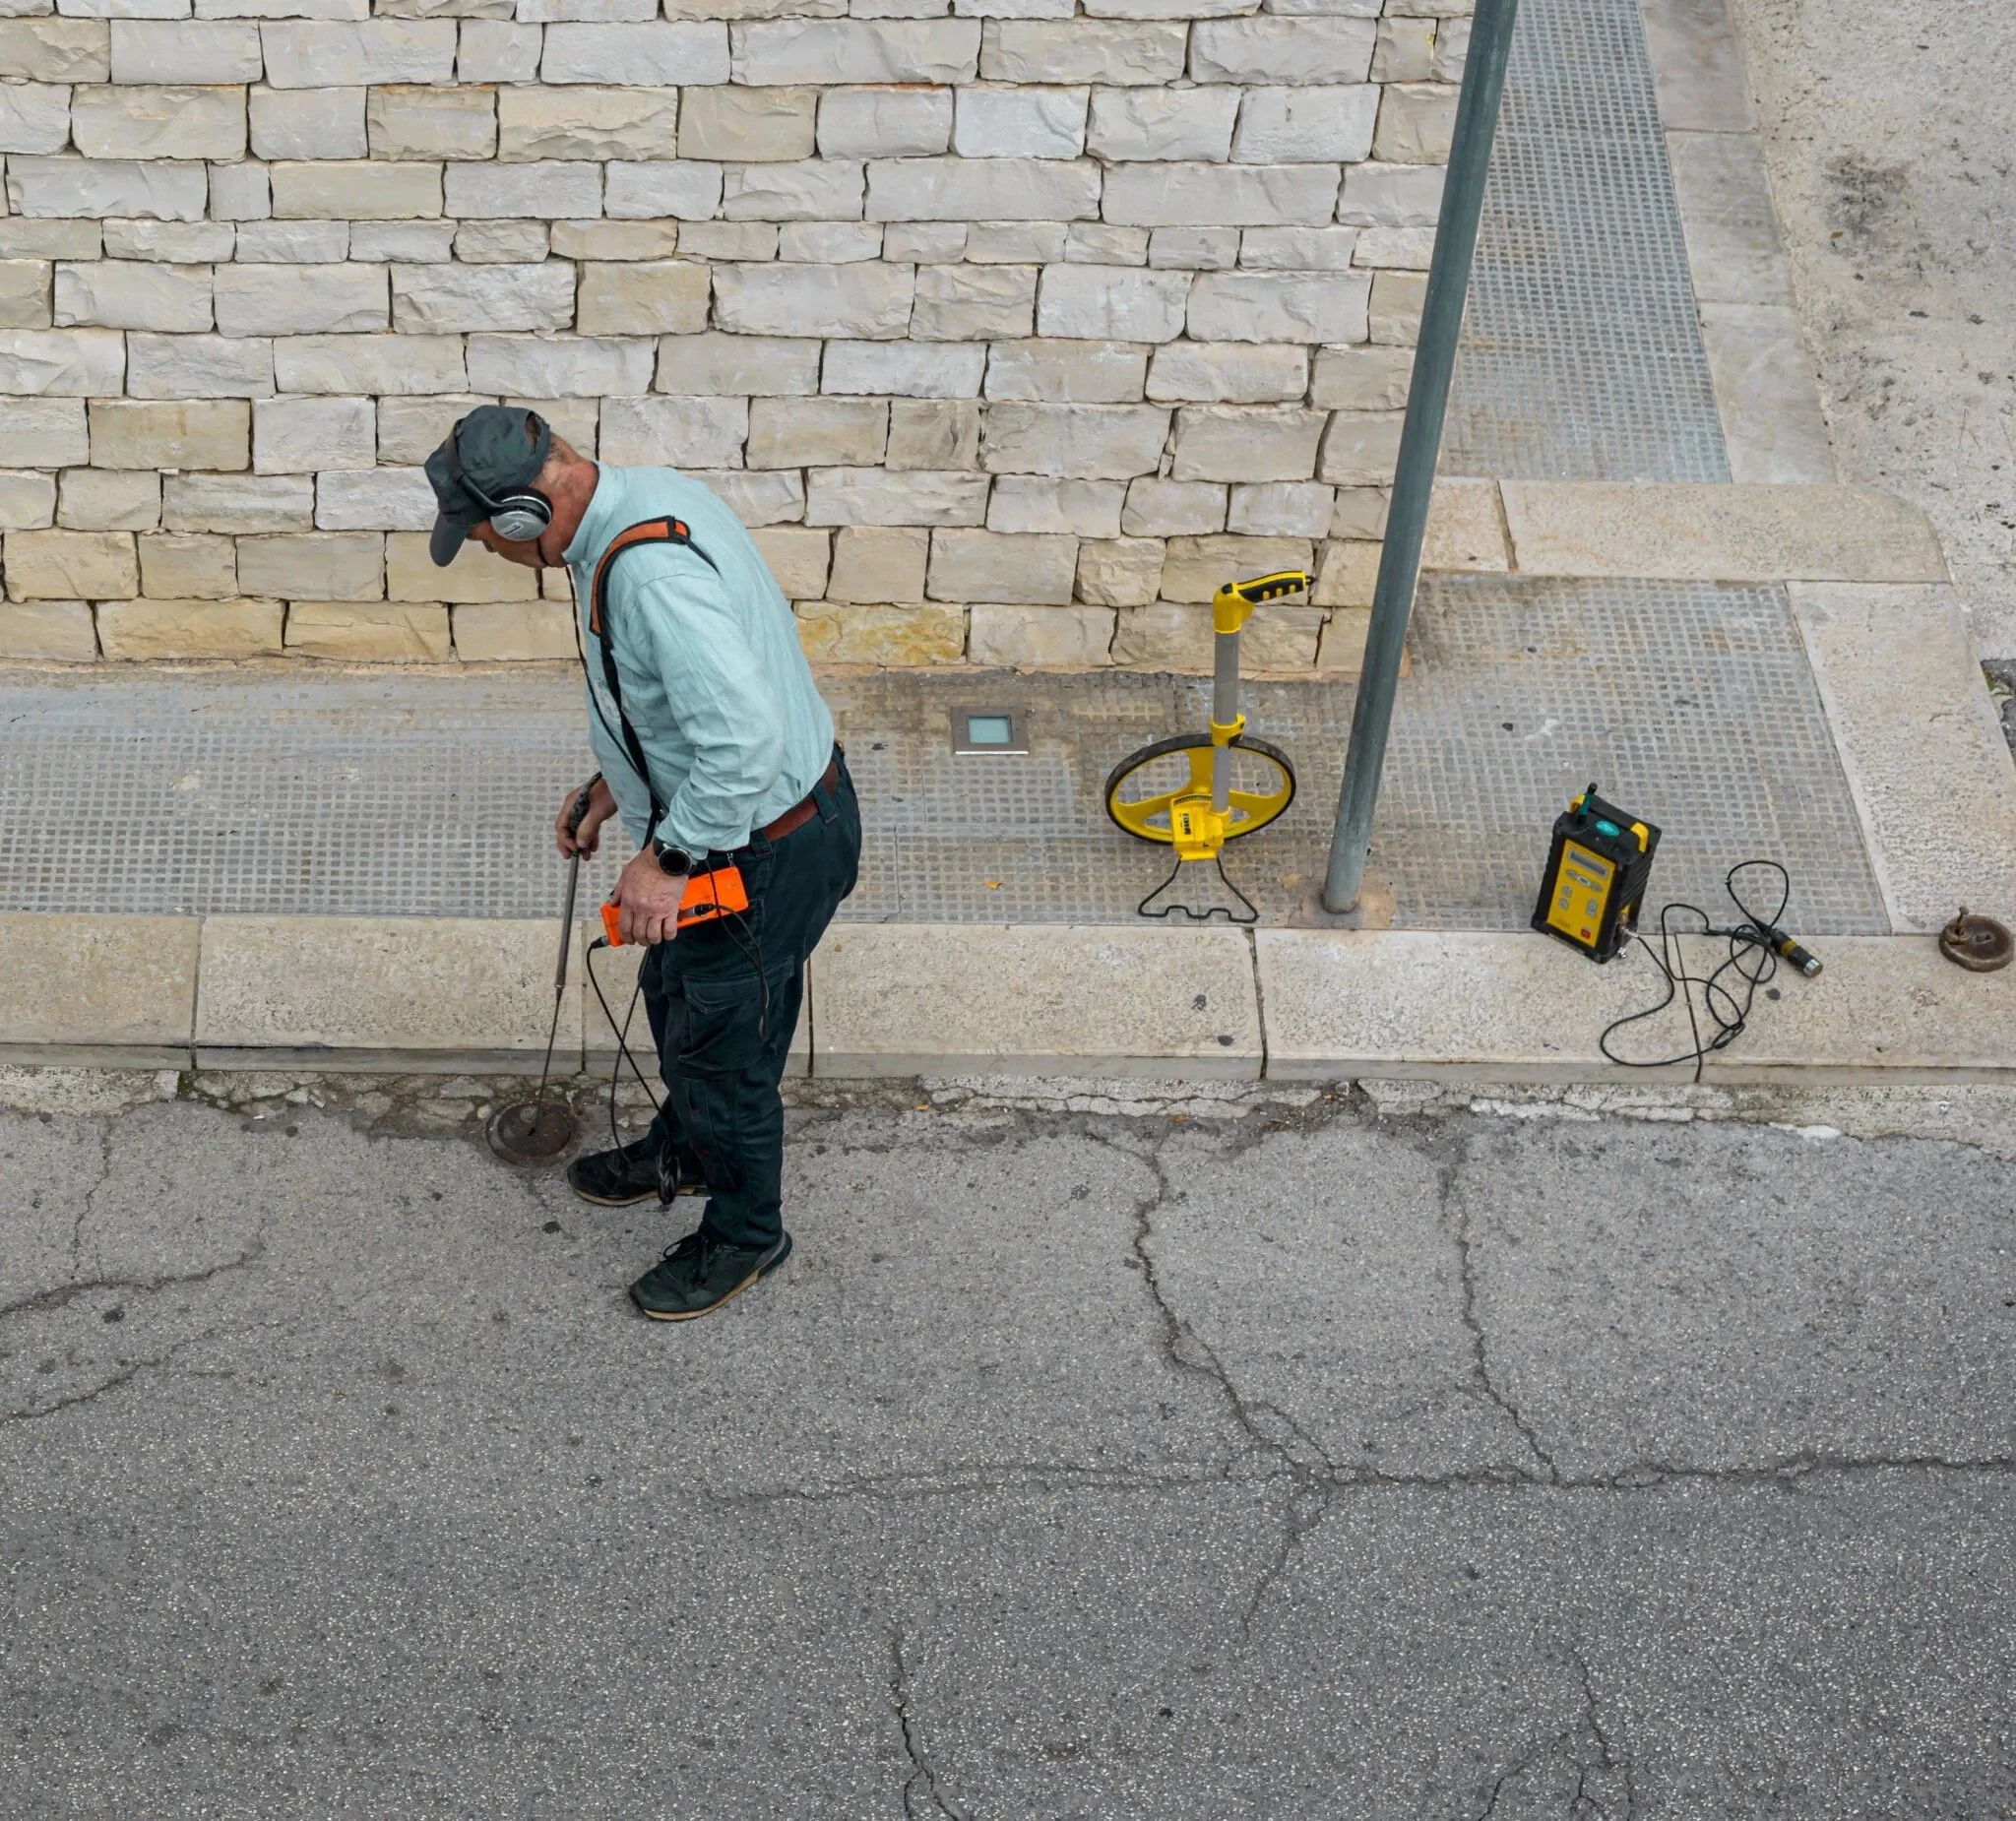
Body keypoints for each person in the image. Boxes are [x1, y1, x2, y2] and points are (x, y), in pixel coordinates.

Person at [423, 406, 859, 1322]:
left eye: (482, 535)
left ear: (523, 518)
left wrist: (665, 859)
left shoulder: (647, 576)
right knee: (686, 1005)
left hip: (759, 845)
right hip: (766, 822)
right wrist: (614, 782)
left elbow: (741, 739)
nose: (486, 553)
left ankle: (746, 1233)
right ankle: (693, 1148)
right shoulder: (641, 502)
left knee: (723, 1046)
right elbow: (682, 701)